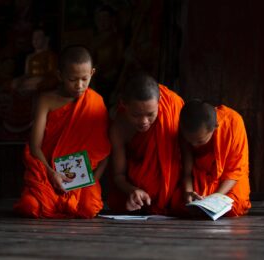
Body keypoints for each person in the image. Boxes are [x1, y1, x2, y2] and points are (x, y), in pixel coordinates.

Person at [13, 45, 111, 218]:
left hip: (82, 178)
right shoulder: (46, 100)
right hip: (49, 172)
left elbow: (104, 150)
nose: (79, 85)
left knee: (89, 208)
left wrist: (94, 180)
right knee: (30, 206)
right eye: (73, 79)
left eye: (84, 79)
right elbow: (35, 146)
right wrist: (51, 173)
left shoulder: (96, 103)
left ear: (92, 73)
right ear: (60, 76)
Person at [107, 73, 184, 215]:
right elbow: (118, 175)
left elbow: (187, 156)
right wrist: (133, 190)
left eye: (150, 114)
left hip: (174, 190)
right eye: (136, 115)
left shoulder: (172, 106)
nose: (143, 121)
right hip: (139, 193)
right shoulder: (119, 128)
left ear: (159, 101)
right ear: (124, 104)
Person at [173, 99, 251, 217]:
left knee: (236, 206)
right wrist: (188, 193)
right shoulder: (185, 129)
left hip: (228, 179)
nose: (194, 145)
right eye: (190, 141)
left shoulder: (233, 123)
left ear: (215, 127)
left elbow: (235, 171)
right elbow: (187, 171)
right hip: (199, 175)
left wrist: (213, 200)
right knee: (177, 203)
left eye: (200, 141)